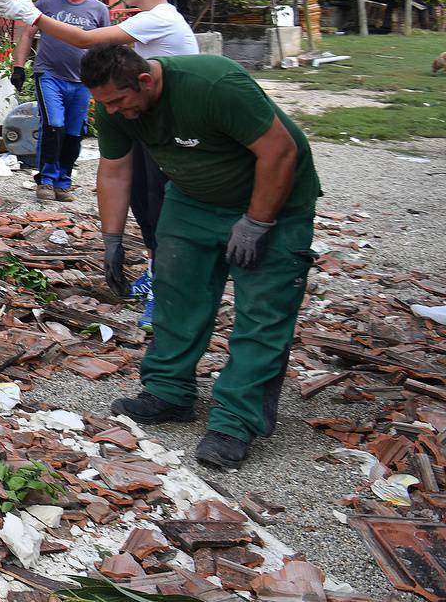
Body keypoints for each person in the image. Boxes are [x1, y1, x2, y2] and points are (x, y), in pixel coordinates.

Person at [77, 44, 320, 469]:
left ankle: (236, 422)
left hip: (275, 204)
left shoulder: (214, 84)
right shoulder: (113, 107)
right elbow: (114, 170)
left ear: (146, 81)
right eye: (104, 104)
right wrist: (112, 239)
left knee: (262, 315)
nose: (112, 111)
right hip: (192, 200)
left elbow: (280, 152)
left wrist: (258, 222)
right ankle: (168, 392)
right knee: (176, 296)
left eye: (118, 101)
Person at [0, 0, 198, 319]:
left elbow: (87, 41)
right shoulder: (151, 19)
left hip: (175, 124)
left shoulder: (160, 19)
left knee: (163, 206)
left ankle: (169, 293)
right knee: (145, 201)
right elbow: (112, 172)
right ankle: (154, 271)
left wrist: (34, 17)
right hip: (152, 118)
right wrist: (112, 242)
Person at [11, 0, 111, 203]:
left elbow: (106, 46)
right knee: (54, 124)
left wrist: (105, 78)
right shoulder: (47, 4)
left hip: (82, 81)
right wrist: (18, 67)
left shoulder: (99, 10)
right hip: (50, 76)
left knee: (74, 132)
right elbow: (27, 35)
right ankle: (45, 180)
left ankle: (63, 181)